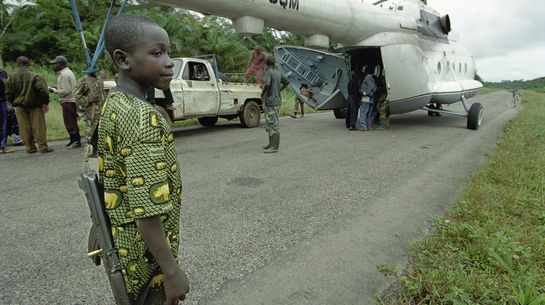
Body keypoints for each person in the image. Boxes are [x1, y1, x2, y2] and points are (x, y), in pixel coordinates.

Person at [100, 14, 190, 304]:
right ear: (123, 59)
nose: (168, 62)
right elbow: (148, 210)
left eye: (168, 52)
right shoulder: (141, 117)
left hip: (125, 249)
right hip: (148, 265)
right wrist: (172, 272)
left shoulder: (115, 103)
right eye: (156, 53)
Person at [5, 56, 53, 153]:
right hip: (35, 106)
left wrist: (14, 103)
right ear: (28, 64)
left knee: (24, 128)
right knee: (39, 127)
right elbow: (44, 91)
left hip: (20, 107)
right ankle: (43, 147)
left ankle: (30, 148)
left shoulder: (11, 77)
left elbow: (8, 93)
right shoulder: (35, 76)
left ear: (17, 64)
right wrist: (45, 102)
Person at [51, 55, 81, 149]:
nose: (54, 66)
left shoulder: (64, 75)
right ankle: (73, 139)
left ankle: (76, 141)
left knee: (70, 121)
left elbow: (66, 91)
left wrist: (54, 91)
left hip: (68, 101)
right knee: (71, 120)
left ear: (60, 64)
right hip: (71, 100)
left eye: (55, 64)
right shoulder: (68, 72)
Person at [261, 55, 289, 153]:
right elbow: (286, 82)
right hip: (276, 102)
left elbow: (267, 84)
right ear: (274, 63)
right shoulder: (278, 72)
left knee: (273, 124)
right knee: (270, 123)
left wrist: (263, 94)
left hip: (271, 102)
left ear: (266, 63)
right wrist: (279, 90)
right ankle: (271, 144)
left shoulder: (269, 72)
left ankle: (275, 147)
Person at [75, 68, 105, 141]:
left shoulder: (99, 81)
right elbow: (77, 96)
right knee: (91, 134)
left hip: (101, 111)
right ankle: (91, 148)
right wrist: (89, 100)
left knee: (101, 132)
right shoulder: (84, 81)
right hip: (91, 112)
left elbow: (102, 95)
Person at [0, 67, 13, 154]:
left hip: (2, 100)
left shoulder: (3, 72)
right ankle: (1, 147)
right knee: (2, 123)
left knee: (3, 123)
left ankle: (2, 145)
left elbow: (8, 85)